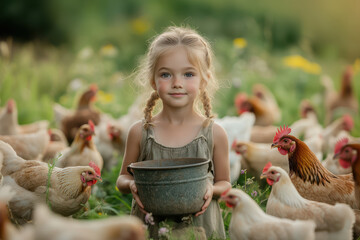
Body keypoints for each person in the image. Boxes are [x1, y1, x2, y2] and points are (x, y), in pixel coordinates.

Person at [116, 26, 231, 239]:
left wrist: (210, 188)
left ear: (204, 80)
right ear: (153, 80)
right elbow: (122, 179)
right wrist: (132, 184)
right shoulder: (140, 132)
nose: (177, 83)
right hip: (152, 229)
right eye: (166, 74)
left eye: (188, 74)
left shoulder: (214, 133)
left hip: (201, 229)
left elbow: (224, 183)